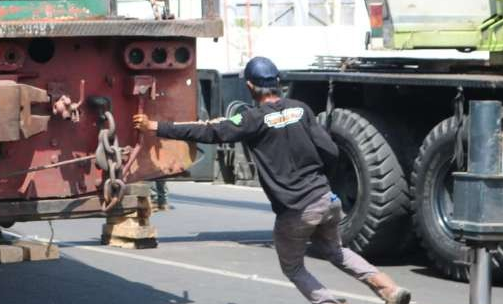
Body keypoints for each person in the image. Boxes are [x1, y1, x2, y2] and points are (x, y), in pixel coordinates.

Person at [134, 56, 411, 304]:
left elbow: (210, 132)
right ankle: (388, 289)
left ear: (250, 87)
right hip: (326, 200)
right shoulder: (301, 109)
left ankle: (326, 302)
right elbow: (331, 151)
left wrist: (156, 127)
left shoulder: (251, 119)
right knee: (336, 251)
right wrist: (319, 180)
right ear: (277, 83)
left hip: (296, 210)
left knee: (293, 267)